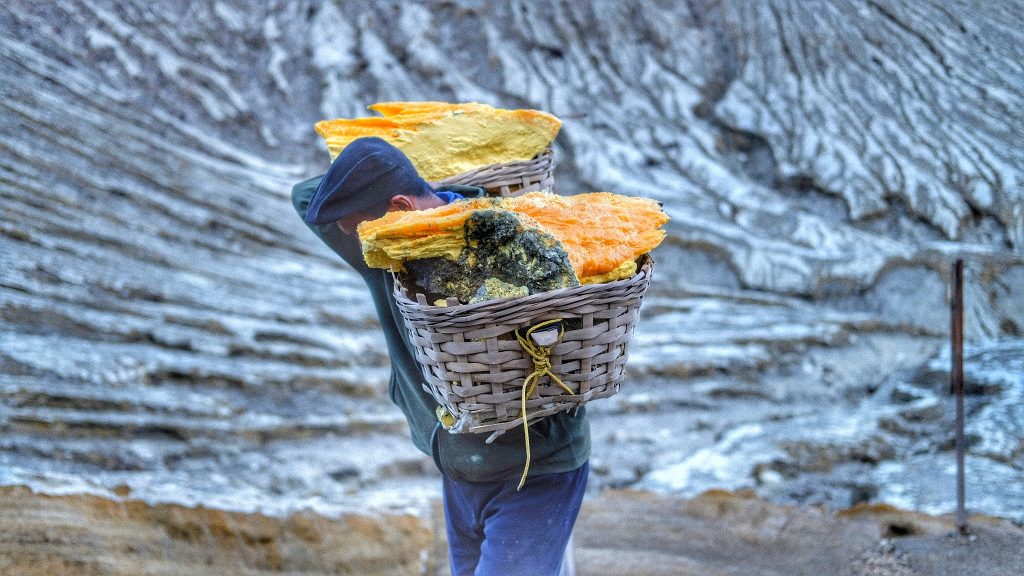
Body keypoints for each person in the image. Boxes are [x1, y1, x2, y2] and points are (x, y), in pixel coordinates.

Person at [290, 137, 589, 576]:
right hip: (461, 469)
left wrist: (434, 201)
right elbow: (305, 197)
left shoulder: (502, 240)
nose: (356, 242)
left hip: (534, 472)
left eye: (359, 229)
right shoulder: (383, 256)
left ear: (399, 208)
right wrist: (414, 171)